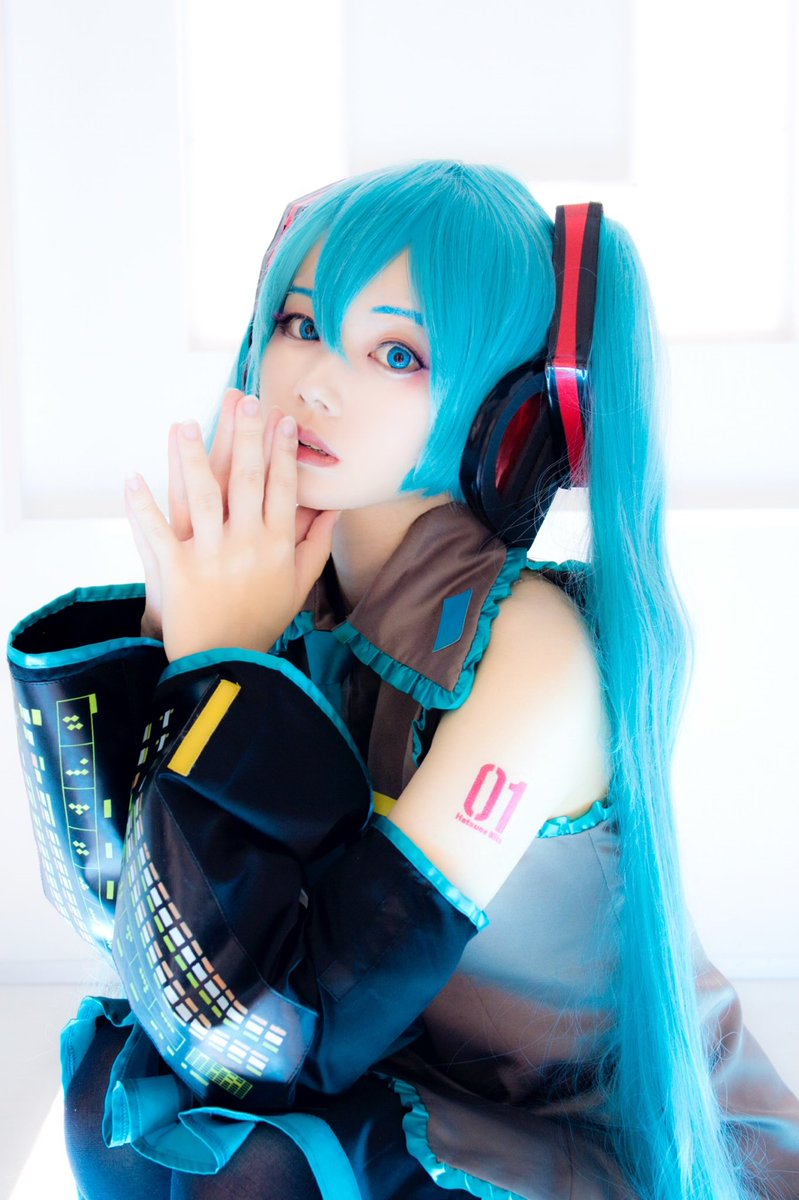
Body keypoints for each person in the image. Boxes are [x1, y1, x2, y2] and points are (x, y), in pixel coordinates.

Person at [7, 160, 799, 1200]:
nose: (314, 382)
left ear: (510, 413)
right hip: (411, 1072)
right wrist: (174, 636)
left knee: (246, 1164)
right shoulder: (281, 593)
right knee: (117, 1099)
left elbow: (282, 1034)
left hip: (584, 1136)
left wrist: (213, 676)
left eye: (395, 352)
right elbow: (127, 927)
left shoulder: (533, 657)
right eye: (299, 324)